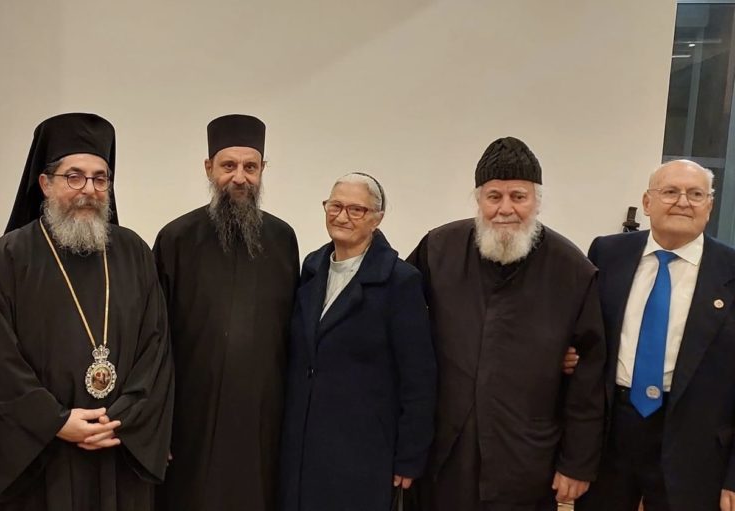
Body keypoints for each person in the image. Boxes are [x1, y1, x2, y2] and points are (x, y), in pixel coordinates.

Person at [0, 113, 173, 510]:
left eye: (100, 179)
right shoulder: (8, 257)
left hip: (117, 449)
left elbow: (156, 349)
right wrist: (56, 421)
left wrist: (120, 418)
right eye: (74, 177)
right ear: (45, 183)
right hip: (42, 460)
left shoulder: (134, 252)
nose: (89, 190)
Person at [407, 136, 606, 510]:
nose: (505, 209)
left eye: (518, 196)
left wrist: (577, 462)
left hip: (526, 457)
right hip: (443, 452)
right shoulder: (437, 249)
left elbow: (590, 377)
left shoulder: (572, 270)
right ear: (478, 200)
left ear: (537, 201)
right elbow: (401, 326)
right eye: (494, 196)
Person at [153, 114, 300, 511]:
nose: (240, 177)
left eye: (250, 167)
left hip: (261, 418)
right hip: (191, 418)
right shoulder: (175, 238)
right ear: (209, 168)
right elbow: (153, 340)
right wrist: (157, 425)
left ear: (262, 169)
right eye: (228, 166)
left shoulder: (283, 239)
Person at [578, 160, 735, 511]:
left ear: (710, 205)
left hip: (696, 446)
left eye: (696, 194)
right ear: (647, 203)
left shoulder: (731, 271)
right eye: (670, 191)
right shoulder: (607, 253)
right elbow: (586, 337)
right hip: (612, 436)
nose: (683, 202)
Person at [279, 172, 436, 510]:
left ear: (377, 219)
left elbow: (419, 379)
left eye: (356, 210)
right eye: (335, 206)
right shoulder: (312, 268)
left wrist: (410, 456)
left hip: (362, 450)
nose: (342, 217)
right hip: (303, 446)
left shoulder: (400, 282)